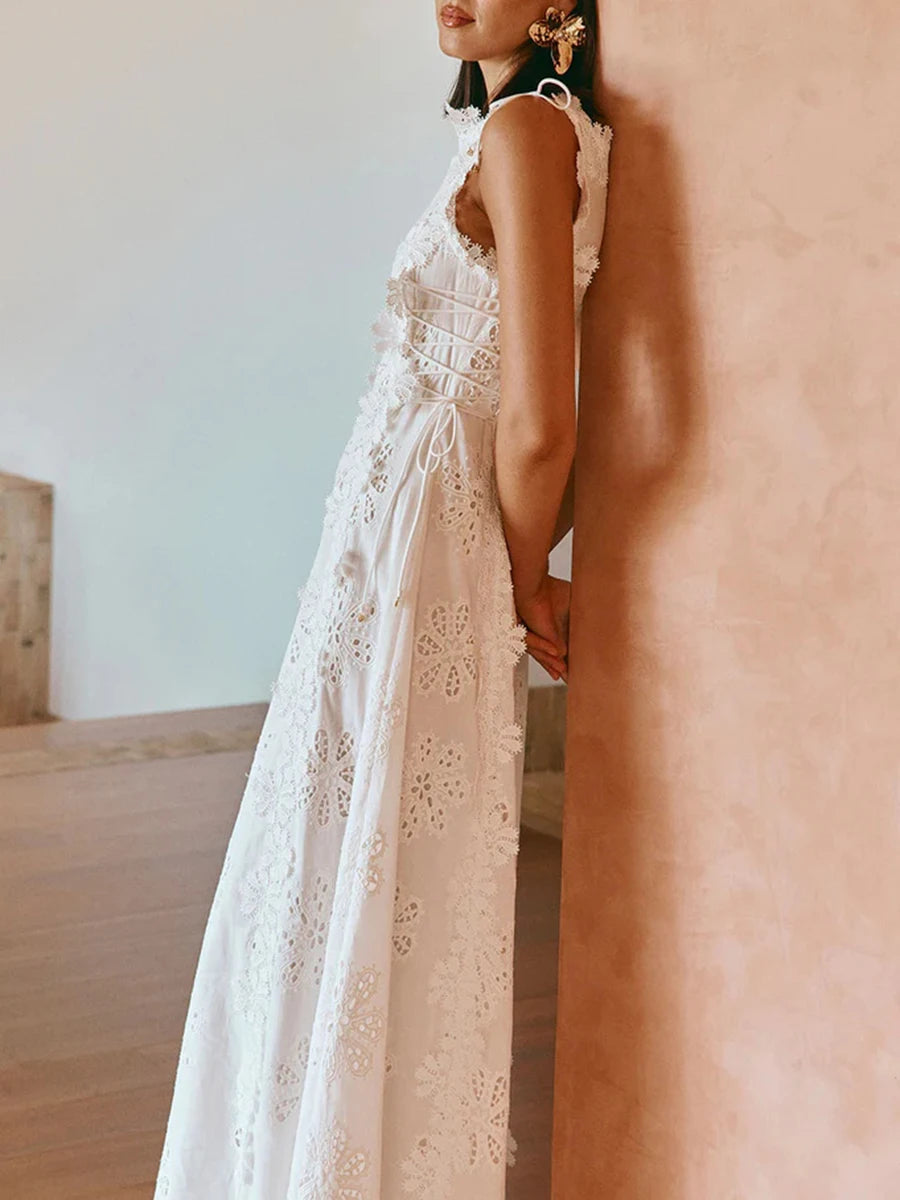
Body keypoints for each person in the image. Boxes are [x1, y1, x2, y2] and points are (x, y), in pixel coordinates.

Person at [153, 3, 612, 1196]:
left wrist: (520, 579)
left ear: (560, 5)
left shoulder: (527, 130)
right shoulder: (518, 131)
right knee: (351, 853)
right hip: (394, 554)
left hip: (427, 561)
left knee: (367, 856)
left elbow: (541, 419)